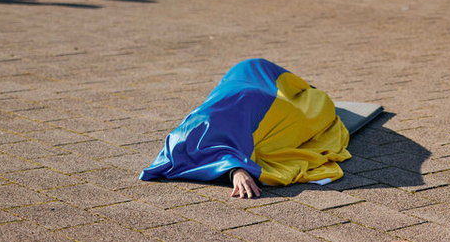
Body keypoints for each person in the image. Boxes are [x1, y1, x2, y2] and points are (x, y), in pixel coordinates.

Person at [140, 59, 351, 199]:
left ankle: (303, 89)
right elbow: (217, 148)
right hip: (254, 97)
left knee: (311, 102)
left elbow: (216, 148)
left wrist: (236, 169)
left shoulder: (191, 135)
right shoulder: (181, 141)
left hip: (250, 73)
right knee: (313, 108)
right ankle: (304, 90)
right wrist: (236, 170)